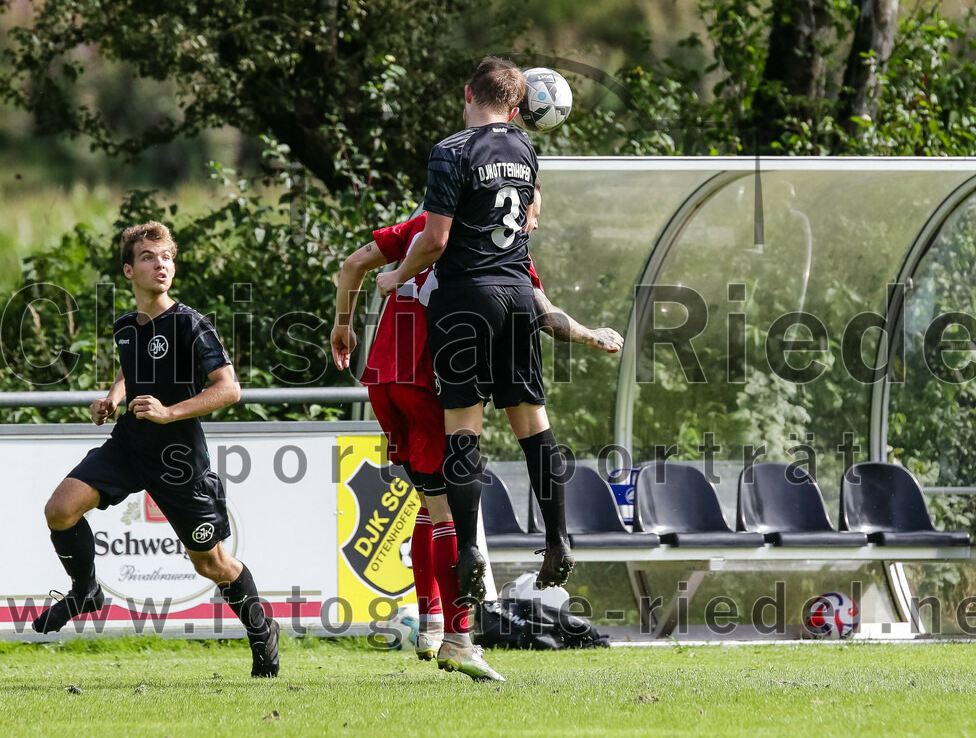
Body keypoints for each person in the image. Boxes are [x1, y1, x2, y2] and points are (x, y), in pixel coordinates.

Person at [332, 186, 621, 682]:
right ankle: (459, 638)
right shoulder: (490, 246)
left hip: (383, 376)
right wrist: (590, 335)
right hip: (425, 379)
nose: (533, 222)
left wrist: (343, 325)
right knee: (450, 513)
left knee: (429, 504)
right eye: (533, 211)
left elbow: (352, 265)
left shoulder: (421, 229)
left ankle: (430, 625)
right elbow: (542, 311)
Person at [33, 222, 280, 678]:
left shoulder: (190, 323)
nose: (160, 264)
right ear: (129, 270)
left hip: (178, 459)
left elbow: (229, 389)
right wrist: (114, 397)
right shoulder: (127, 327)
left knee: (213, 564)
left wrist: (169, 412)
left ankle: (262, 630)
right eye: (148, 257)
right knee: (60, 510)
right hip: (130, 446)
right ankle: (85, 591)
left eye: (166, 257)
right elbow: (132, 370)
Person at [375, 57, 576, 614]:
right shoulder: (525, 148)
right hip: (518, 293)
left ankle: (468, 551)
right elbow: (530, 211)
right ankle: (558, 537)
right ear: (516, 107)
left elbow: (436, 239)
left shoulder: (451, 150)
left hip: (466, 297)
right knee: (534, 425)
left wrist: (397, 274)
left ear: (468, 94)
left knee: (464, 427)